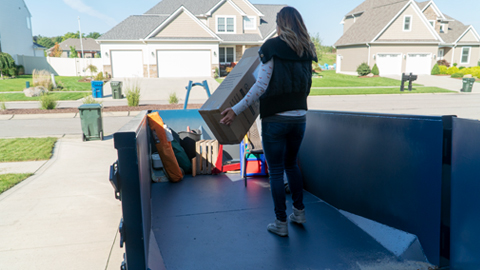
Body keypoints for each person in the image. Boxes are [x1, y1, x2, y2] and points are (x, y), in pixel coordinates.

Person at [220, 6, 317, 237]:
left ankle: (281, 222)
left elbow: (260, 87)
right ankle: (299, 212)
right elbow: (307, 87)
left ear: (280, 24)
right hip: (299, 119)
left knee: (275, 171)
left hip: (275, 120)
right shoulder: (306, 50)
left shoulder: (271, 47)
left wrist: (235, 109)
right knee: (291, 164)